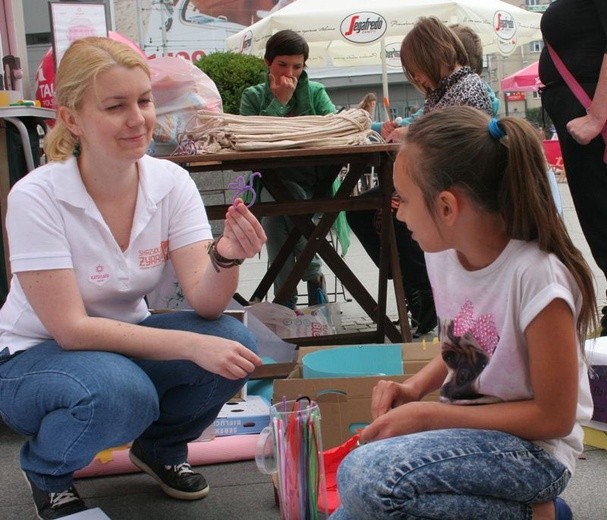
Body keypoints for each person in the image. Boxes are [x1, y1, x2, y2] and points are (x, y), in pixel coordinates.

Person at [0, 37, 266, 520]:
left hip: (123, 346)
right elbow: (71, 330)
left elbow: (206, 305)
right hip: (31, 359)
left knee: (234, 343)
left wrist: (227, 256)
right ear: (72, 118)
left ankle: (160, 450)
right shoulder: (36, 197)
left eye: (144, 100)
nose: (138, 118)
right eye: (115, 106)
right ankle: (47, 472)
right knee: (127, 392)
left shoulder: (169, 182)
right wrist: (189, 346)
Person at [330, 106, 597, 520]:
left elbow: (555, 417)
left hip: (533, 454)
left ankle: (536, 514)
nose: (397, 213)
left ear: (448, 207)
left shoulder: (538, 278)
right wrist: (415, 389)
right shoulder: (444, 255)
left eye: (402, 199)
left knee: (366, 479)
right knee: (350, 512)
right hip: (468, 432)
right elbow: (464, 344)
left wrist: (429, 416)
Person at [347, 17, 493, 336]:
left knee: (382, 211)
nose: (415, 78)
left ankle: (421, 292)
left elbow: (447, 138)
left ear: (431, 55)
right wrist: (401, 129)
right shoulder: (447, 89)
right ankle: (417, 289)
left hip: (454, 189)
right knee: (367, 209)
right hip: (438, 186)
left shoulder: (465, 88)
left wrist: (408, 133)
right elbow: (428, 126)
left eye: (415, 70)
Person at [240, 29, 340, 309]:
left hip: (315, 184)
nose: (290, 73)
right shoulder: (253, 96)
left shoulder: (317, 92)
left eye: (297, 66)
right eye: (282, 65)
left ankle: (284, 304)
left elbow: (334, 131)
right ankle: (313, 274)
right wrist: (280, 102)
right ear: (267, 63)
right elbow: (250, 140)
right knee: (278, 208)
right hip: (269, 183)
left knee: (278, 216)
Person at [540, 0, 607, 336]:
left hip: (593, 117)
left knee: (601, 218)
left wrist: (596, 116)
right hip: (584, 113)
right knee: (598, 220)